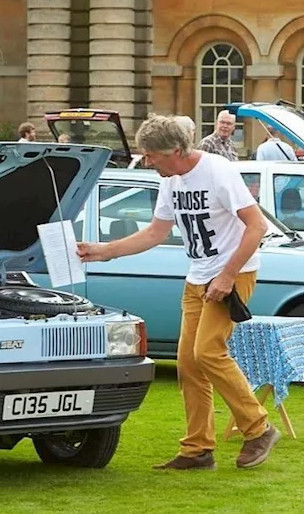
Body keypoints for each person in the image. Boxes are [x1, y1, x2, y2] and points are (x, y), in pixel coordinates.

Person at [76, 115, 280, 470]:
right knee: (188, 364)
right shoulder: (171, 181)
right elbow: (155, 233)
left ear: (175, 150)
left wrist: (228, 276)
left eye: (151, 155)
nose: (147, 161)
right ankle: (198, 450)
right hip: (197, 278)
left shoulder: (218, 171)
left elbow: (257, 226)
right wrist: (102, 250)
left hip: (232, 276)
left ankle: (258, 427)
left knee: (208, 352)